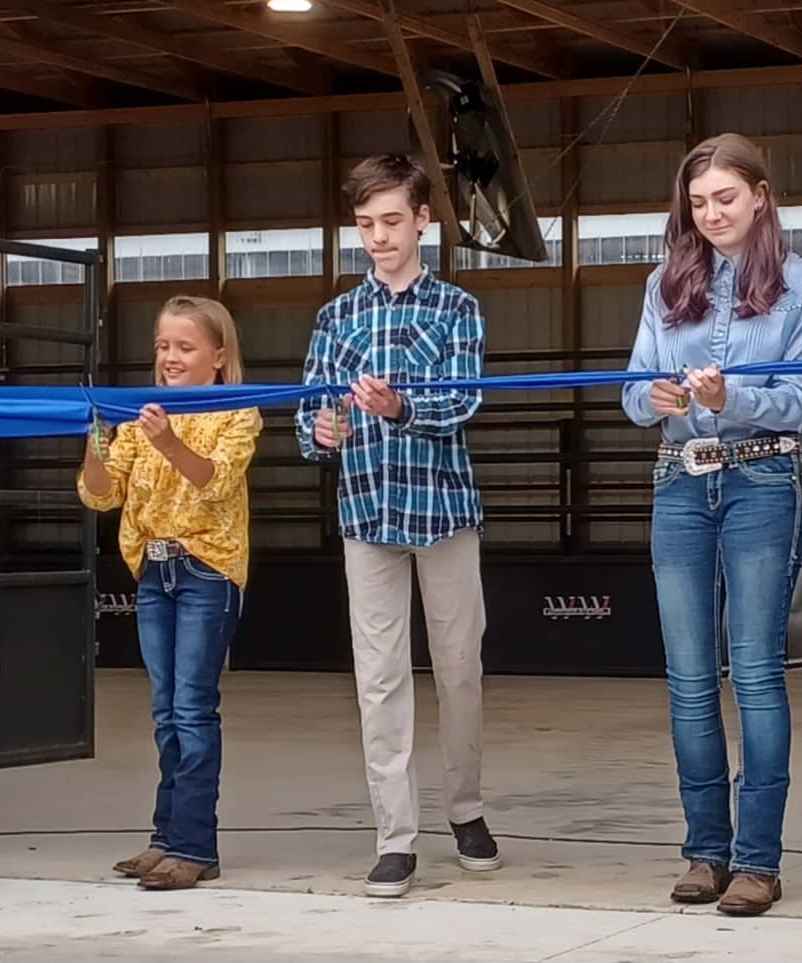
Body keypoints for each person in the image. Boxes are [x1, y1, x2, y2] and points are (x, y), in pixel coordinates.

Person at [620, 133, 802, 917]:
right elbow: (634, 389)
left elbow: (796, 402)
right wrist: (659, 400)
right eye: (698, 202)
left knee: (756, 674)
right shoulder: (663, 280)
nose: (710, 214)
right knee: (687, 680)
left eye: (725, 198)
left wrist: (724, 398)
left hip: (761, 478)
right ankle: (704, 849)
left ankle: (757, 860)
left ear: (761, 195)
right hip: (677, 481)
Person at [295, 153, 500, 899]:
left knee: (458, 669)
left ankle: (467, 809)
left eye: (390, 221)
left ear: (422, 219)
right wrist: (320, 430)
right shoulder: (333, 317)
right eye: (364, 224)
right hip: (365, 512)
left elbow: (461, 403)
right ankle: (394, 836)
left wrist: (400, 408)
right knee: (377, 677)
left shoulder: (457, 309)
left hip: (444, 512)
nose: (377, 237)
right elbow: (304, 413)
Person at [79, 295, 261, 891]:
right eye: (162, 345)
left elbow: (213, 482)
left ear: (218, 355)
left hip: (207, 570)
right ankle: (166, 838)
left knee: (192, 708)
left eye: (185, 346)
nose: (170, 357)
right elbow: (102, 496)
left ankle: (194, 846)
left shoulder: (237, 410)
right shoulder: (139, 414)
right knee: (165, 714)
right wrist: (94, 441)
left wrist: (166, 442)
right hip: (154, 572)